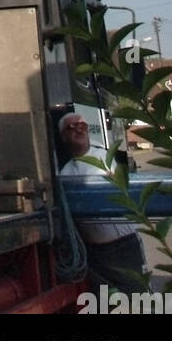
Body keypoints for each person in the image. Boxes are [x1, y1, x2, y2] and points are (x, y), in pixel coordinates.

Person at [56, 111, 148, 293]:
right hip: (97, 254)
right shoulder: (64, 174)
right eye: (71, 127)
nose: (78, 130)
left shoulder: (105, 157)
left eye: (81, 125)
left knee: (139, 301)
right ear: (63, 137)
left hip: (125, 246)